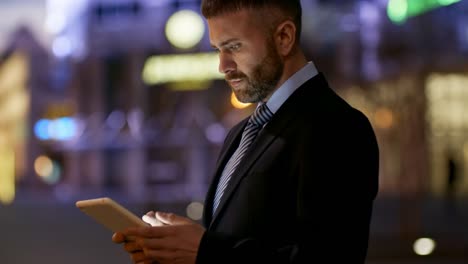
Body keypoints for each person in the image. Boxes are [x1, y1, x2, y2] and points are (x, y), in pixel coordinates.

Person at [112, 0, 379, 263]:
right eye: (218, 49)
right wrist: (177, 253)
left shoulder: (337, 127)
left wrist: (205, 251)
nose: (222, 66)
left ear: (284, 37)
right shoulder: (240, 133)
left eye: (234, 47)